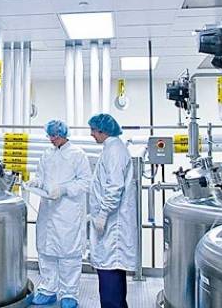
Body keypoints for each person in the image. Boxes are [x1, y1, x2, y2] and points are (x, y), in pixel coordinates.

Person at [26, 119, 92, 308]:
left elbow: (86, 182)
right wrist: (36, 183)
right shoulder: (47, 154)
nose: (51, 139)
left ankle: (69, 294)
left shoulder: (77, 155)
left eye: (54, 136)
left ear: (63, 134)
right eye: (50, 136)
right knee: (46, 251)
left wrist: (63, 189)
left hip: (68, 212)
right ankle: (48, 289)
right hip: (47, 210)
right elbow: (41, 176)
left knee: (68, 254)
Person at [87, 114, 137, 308]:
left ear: (103, 131)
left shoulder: (114, 151)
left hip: (114, 224)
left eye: (93, 130)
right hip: (111, 221)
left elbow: (115, 187)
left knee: (110, 271)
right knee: (111, 270)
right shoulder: (111, 149)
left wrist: (103, 213)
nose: (91, 134)